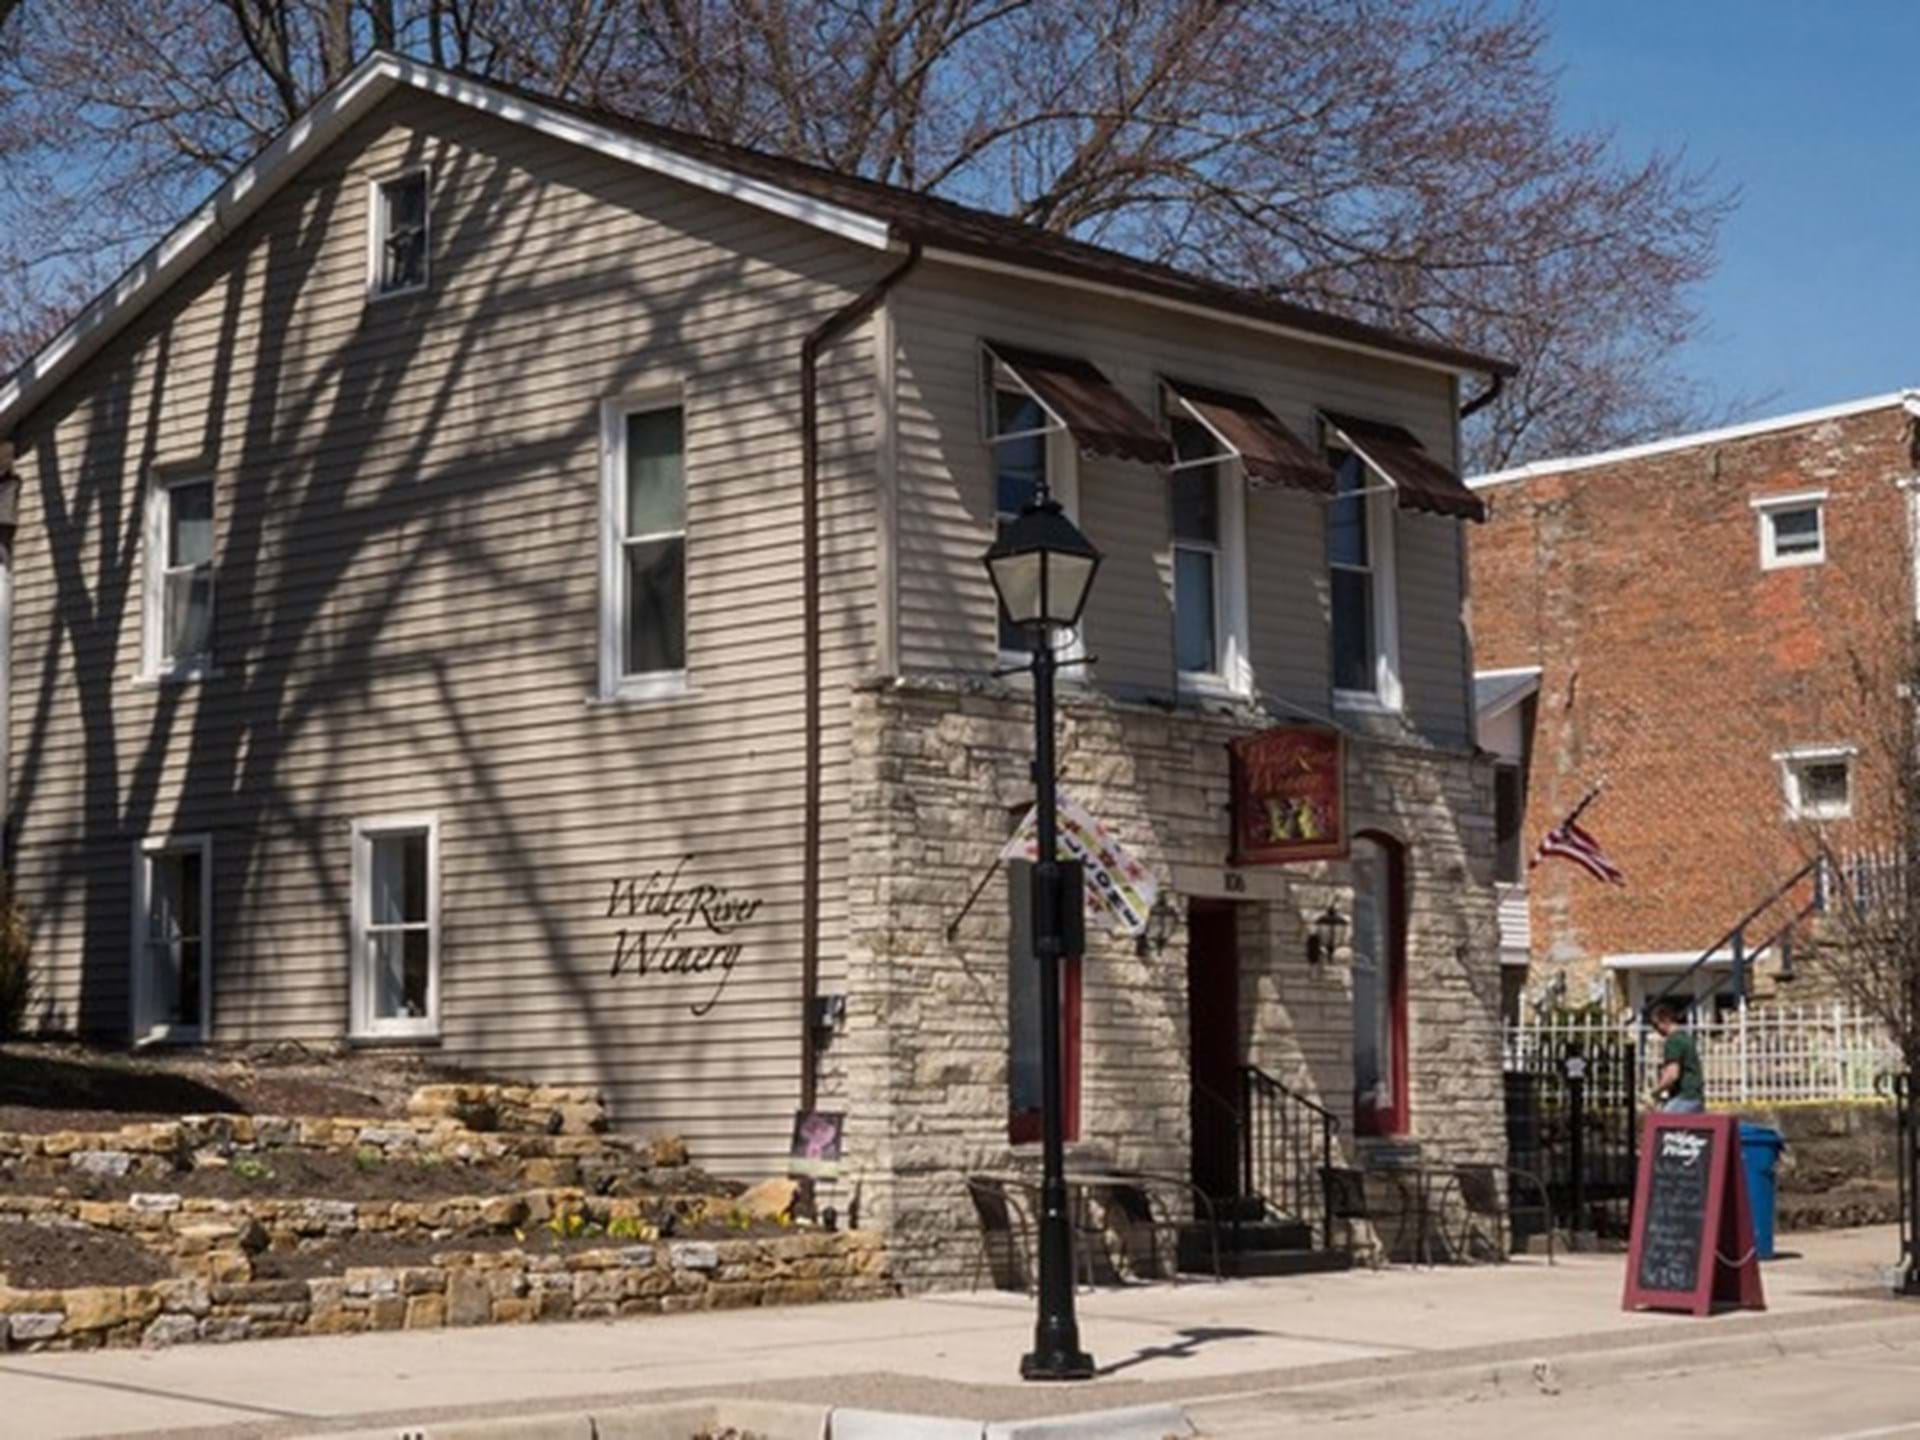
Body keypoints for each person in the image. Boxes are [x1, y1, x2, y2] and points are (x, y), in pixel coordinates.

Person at [1649, 1001, 1707, 1112]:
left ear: (1665, 1020)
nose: (1656, 1030)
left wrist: (1655, 1091)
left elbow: (1672, 1074)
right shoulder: (1685, 1037)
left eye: (1656, 1025)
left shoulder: (1673, 1041)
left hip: (1684, 1097)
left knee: (1661, 1124)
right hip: (1696, 1098)